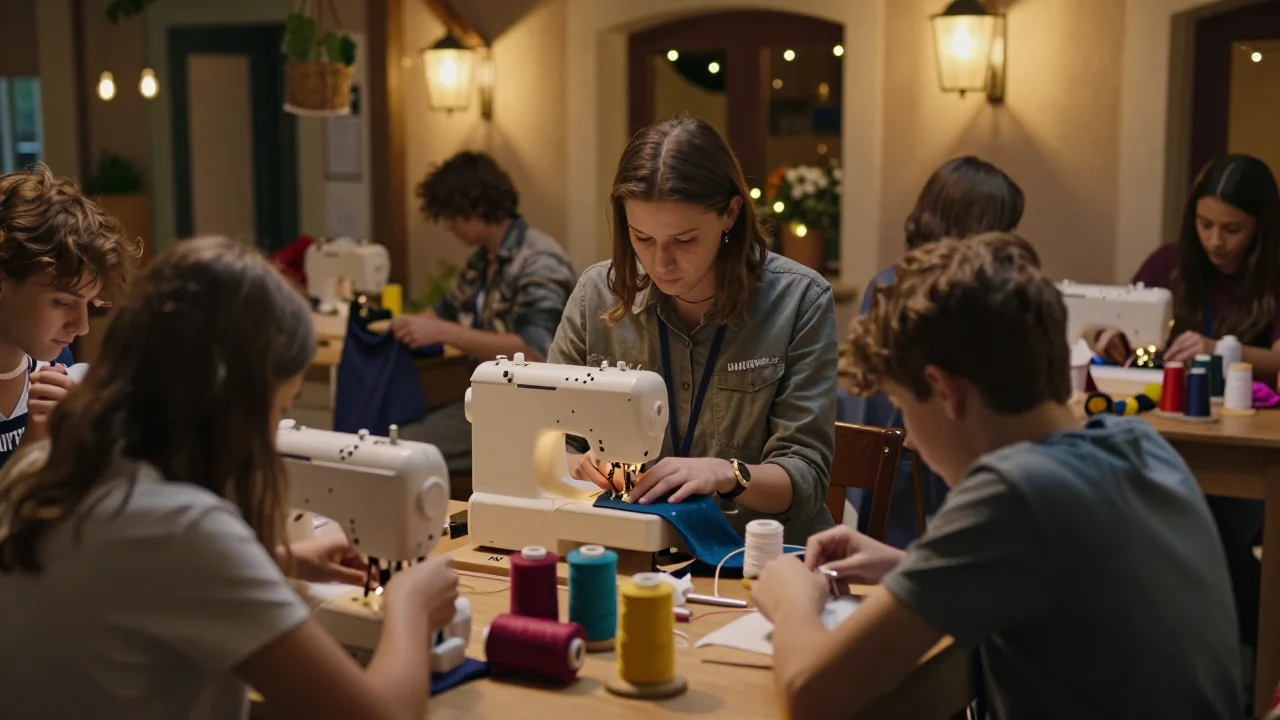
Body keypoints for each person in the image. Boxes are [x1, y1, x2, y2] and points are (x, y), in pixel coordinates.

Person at [753, 233, 1242, 719]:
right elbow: (1057, 585)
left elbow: (808, 694)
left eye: (902, 409)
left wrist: (792, 595)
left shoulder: (1015, 492)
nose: (912, 441)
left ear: (943, 391)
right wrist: (911, 566)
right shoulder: (1139, 444)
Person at [0, 237, 460, 719]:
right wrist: (411, 606)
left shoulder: (38, 473)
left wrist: (276, 561)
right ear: (233, 401)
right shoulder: (186, 526)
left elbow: (128, 579)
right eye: (278, 408)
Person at [548, 114, 838, 545]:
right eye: (641, 238)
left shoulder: (800, 301)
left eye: (683, 241)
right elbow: (550, 437)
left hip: (754, 559)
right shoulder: (597, 295)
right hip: (631, 550)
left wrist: (727, 474)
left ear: (730, 214)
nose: (661, 263)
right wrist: (575, 464)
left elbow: (806, 477)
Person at [844, 156, 1024, 549]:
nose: (1008, 244)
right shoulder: (935, 294)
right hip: (913, 469)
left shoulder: (887, 282)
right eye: (1003, 230)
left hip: (892, 462)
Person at [391, 151, 576, 476]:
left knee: (403, 452)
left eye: (452, 215)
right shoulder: (484, 261)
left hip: (530, 408)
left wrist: (443, 333)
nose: (448, 225)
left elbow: (535, 350)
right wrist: (406, 325)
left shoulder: (539, 261)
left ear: (474, 205)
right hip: (490, 399)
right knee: (394, 433)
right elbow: (444, 310)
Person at [0, 163, 139, 466]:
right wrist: (31, 456)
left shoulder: (56, 365)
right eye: (62, 303)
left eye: (89, 303)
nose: (82, 326)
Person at [1123, 154, 1280, 379]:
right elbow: (1125, 325)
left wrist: (1220, 351)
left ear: (1260, 227)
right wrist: (1112, 339)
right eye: (1205, 224)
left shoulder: (1274, 276)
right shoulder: (1166, 263)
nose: (1215, 240)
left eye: (1232, 229)